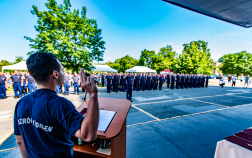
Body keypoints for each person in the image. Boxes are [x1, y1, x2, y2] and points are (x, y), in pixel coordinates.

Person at [14, 52, 99, 158]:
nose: (63, 73)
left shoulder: (21, 103)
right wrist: (93, 94)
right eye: (62, 70)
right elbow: (88, 135)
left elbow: (20, 141)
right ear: (55, 74)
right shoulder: (60, 104)